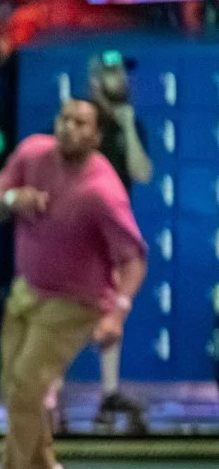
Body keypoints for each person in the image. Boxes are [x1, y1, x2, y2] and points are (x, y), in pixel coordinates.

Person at [0, 97, 144, 469]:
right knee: (13, 390)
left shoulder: (102, 192)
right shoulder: (32, 153)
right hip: (27, 292)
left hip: (76, 303)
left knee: (27, 388)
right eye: (65, 119)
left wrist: (116, 314)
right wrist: (14, 198)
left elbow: (134, 259)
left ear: (96, 136)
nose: (70, 128)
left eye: (81, 123)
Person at [86, 54, 153, 436]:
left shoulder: (131, 124)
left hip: (114, 233)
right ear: (95, 79)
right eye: (111, 73)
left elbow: (142, 173)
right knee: (68, 311)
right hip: (80, 231)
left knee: (112, 311)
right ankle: (50, 391)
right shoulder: (81, 121)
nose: (120, 79)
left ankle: (109, 393)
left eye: (122, 73)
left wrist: (127, 128)